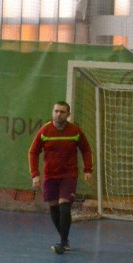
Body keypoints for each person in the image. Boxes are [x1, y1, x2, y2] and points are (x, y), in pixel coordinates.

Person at [28, 101, 93, 254]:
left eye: (62, 112)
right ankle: (65, 239)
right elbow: (33, 152)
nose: (58, 114)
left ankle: (63, 243)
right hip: (50, 175)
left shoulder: (75, 131)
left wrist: (88, 169)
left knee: (64, 205)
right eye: (56, 111)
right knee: (53, 206)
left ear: (68, 114)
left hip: (69, 175)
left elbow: (86, 149)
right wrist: (35, 174)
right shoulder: (45, 131)